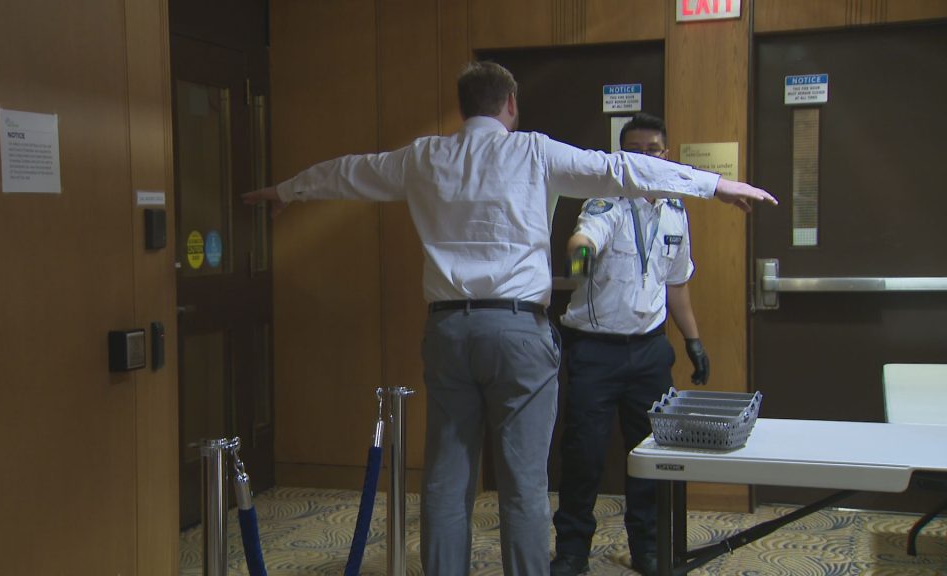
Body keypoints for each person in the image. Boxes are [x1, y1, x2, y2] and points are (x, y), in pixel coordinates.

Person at [242, 62, 775, 576]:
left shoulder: (424, 156)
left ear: (463, 106)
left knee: (447, 480)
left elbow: (351, 172)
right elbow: (621, 169)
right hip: (520, 332)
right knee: (522, 483)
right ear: (511, 105)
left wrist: (288, 190)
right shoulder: (535, 152)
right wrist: (713, 185)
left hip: (449, 332)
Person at [550, 113, 711, 576]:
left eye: (653, 149)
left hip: (649, 353)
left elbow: (676, 284)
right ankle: (573, 550)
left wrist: (694, 341)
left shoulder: (676, 211)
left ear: (666, 153)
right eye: (634, 151)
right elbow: (584, 238)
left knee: (651, 457)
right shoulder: (606, 201)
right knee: (584, 454)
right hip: (595, 353)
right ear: (621, 157)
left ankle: (648, 547)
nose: (644, 158)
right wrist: (578, 261)